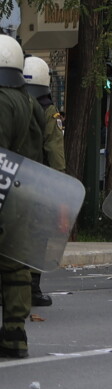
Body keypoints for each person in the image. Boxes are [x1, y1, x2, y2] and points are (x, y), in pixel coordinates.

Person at [0, 35, 49, 357]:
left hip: (3, 187)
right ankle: (15, 334)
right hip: (24, 190)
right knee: (15, 263)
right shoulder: (29, 101)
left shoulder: (2, 101)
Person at [22, 56, 65, 307]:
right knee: (38, 236)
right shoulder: (48, 110)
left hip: (11, 178)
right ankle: (32, 288)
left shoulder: (10, 102)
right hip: (38, 183)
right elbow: (55, 152)